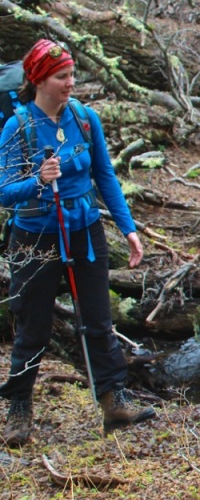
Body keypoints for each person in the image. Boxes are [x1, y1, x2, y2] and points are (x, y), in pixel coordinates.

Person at [0, 39, 155, 447]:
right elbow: (3, 192)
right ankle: (18, 407)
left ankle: (114, 402)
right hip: (35, 237)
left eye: (72, 75)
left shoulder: (85, 119)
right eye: (62, 76)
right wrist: (37, 181)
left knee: (98, 320)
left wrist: (128, 228)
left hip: (85, 231)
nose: (71, 83)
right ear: (39, 80)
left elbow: (104, 176)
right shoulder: (19, 127)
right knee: (32, 327)